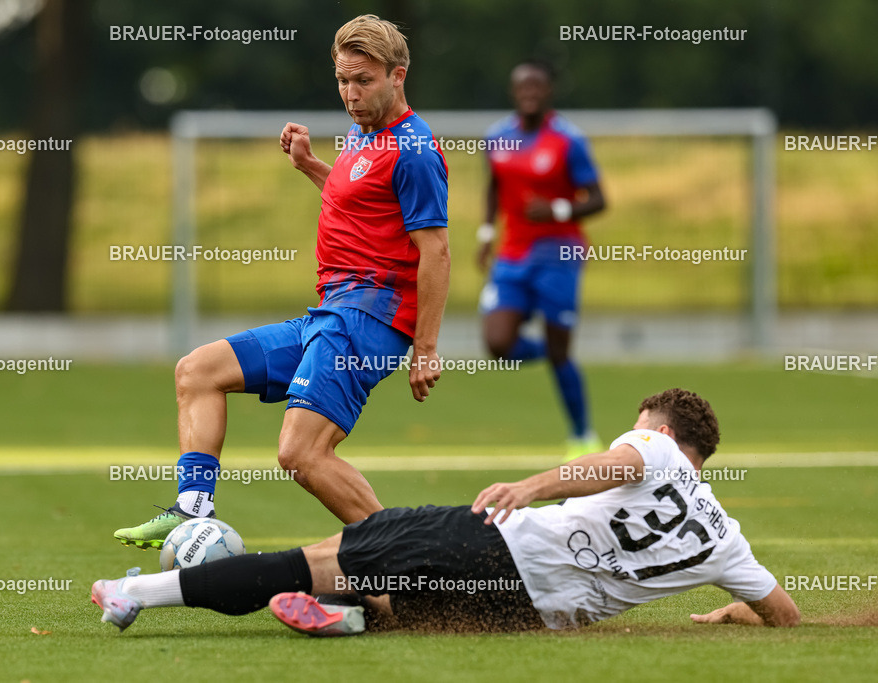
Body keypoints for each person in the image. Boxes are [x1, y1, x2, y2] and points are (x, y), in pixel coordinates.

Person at [112, 15, 450, 549]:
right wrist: (312, 166)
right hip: (331, 314)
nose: (351, 93)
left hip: (367, 320)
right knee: (198, 371)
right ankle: (191, 510)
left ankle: (412, 562)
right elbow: (359, 205)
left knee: (301, 454)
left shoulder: (413, 148)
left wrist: (426, 348)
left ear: (397, 76)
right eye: (343, 80)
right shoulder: (365, 137)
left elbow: (435, 250)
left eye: (363, 80)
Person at [93, 388, 800, 634]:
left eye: (639, 422)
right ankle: (357, 612)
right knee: (408, 601)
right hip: (535, 615)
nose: (634, 430)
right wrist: (728, 609)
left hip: (504, 544)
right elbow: (784, 614)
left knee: (315, 558)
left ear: (665, 430)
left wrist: (530, 486)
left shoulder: (658, 446)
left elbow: (610, 467)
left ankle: (136, 592)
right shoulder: (726, 541)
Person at [477, 60, 607, 461]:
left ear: (549, 91)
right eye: (523, 86)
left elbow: (599, 199)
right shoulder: (498, 137)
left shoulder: (568, 140)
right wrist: (486, 233)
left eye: (537, 86)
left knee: (561, 350)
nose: (529, 92)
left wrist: (558, 211)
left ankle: (583, 435)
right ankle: (552, 353)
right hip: (513, 254)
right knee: (498, 343)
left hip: (559, 255)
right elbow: (494, 189)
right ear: (514, 91)